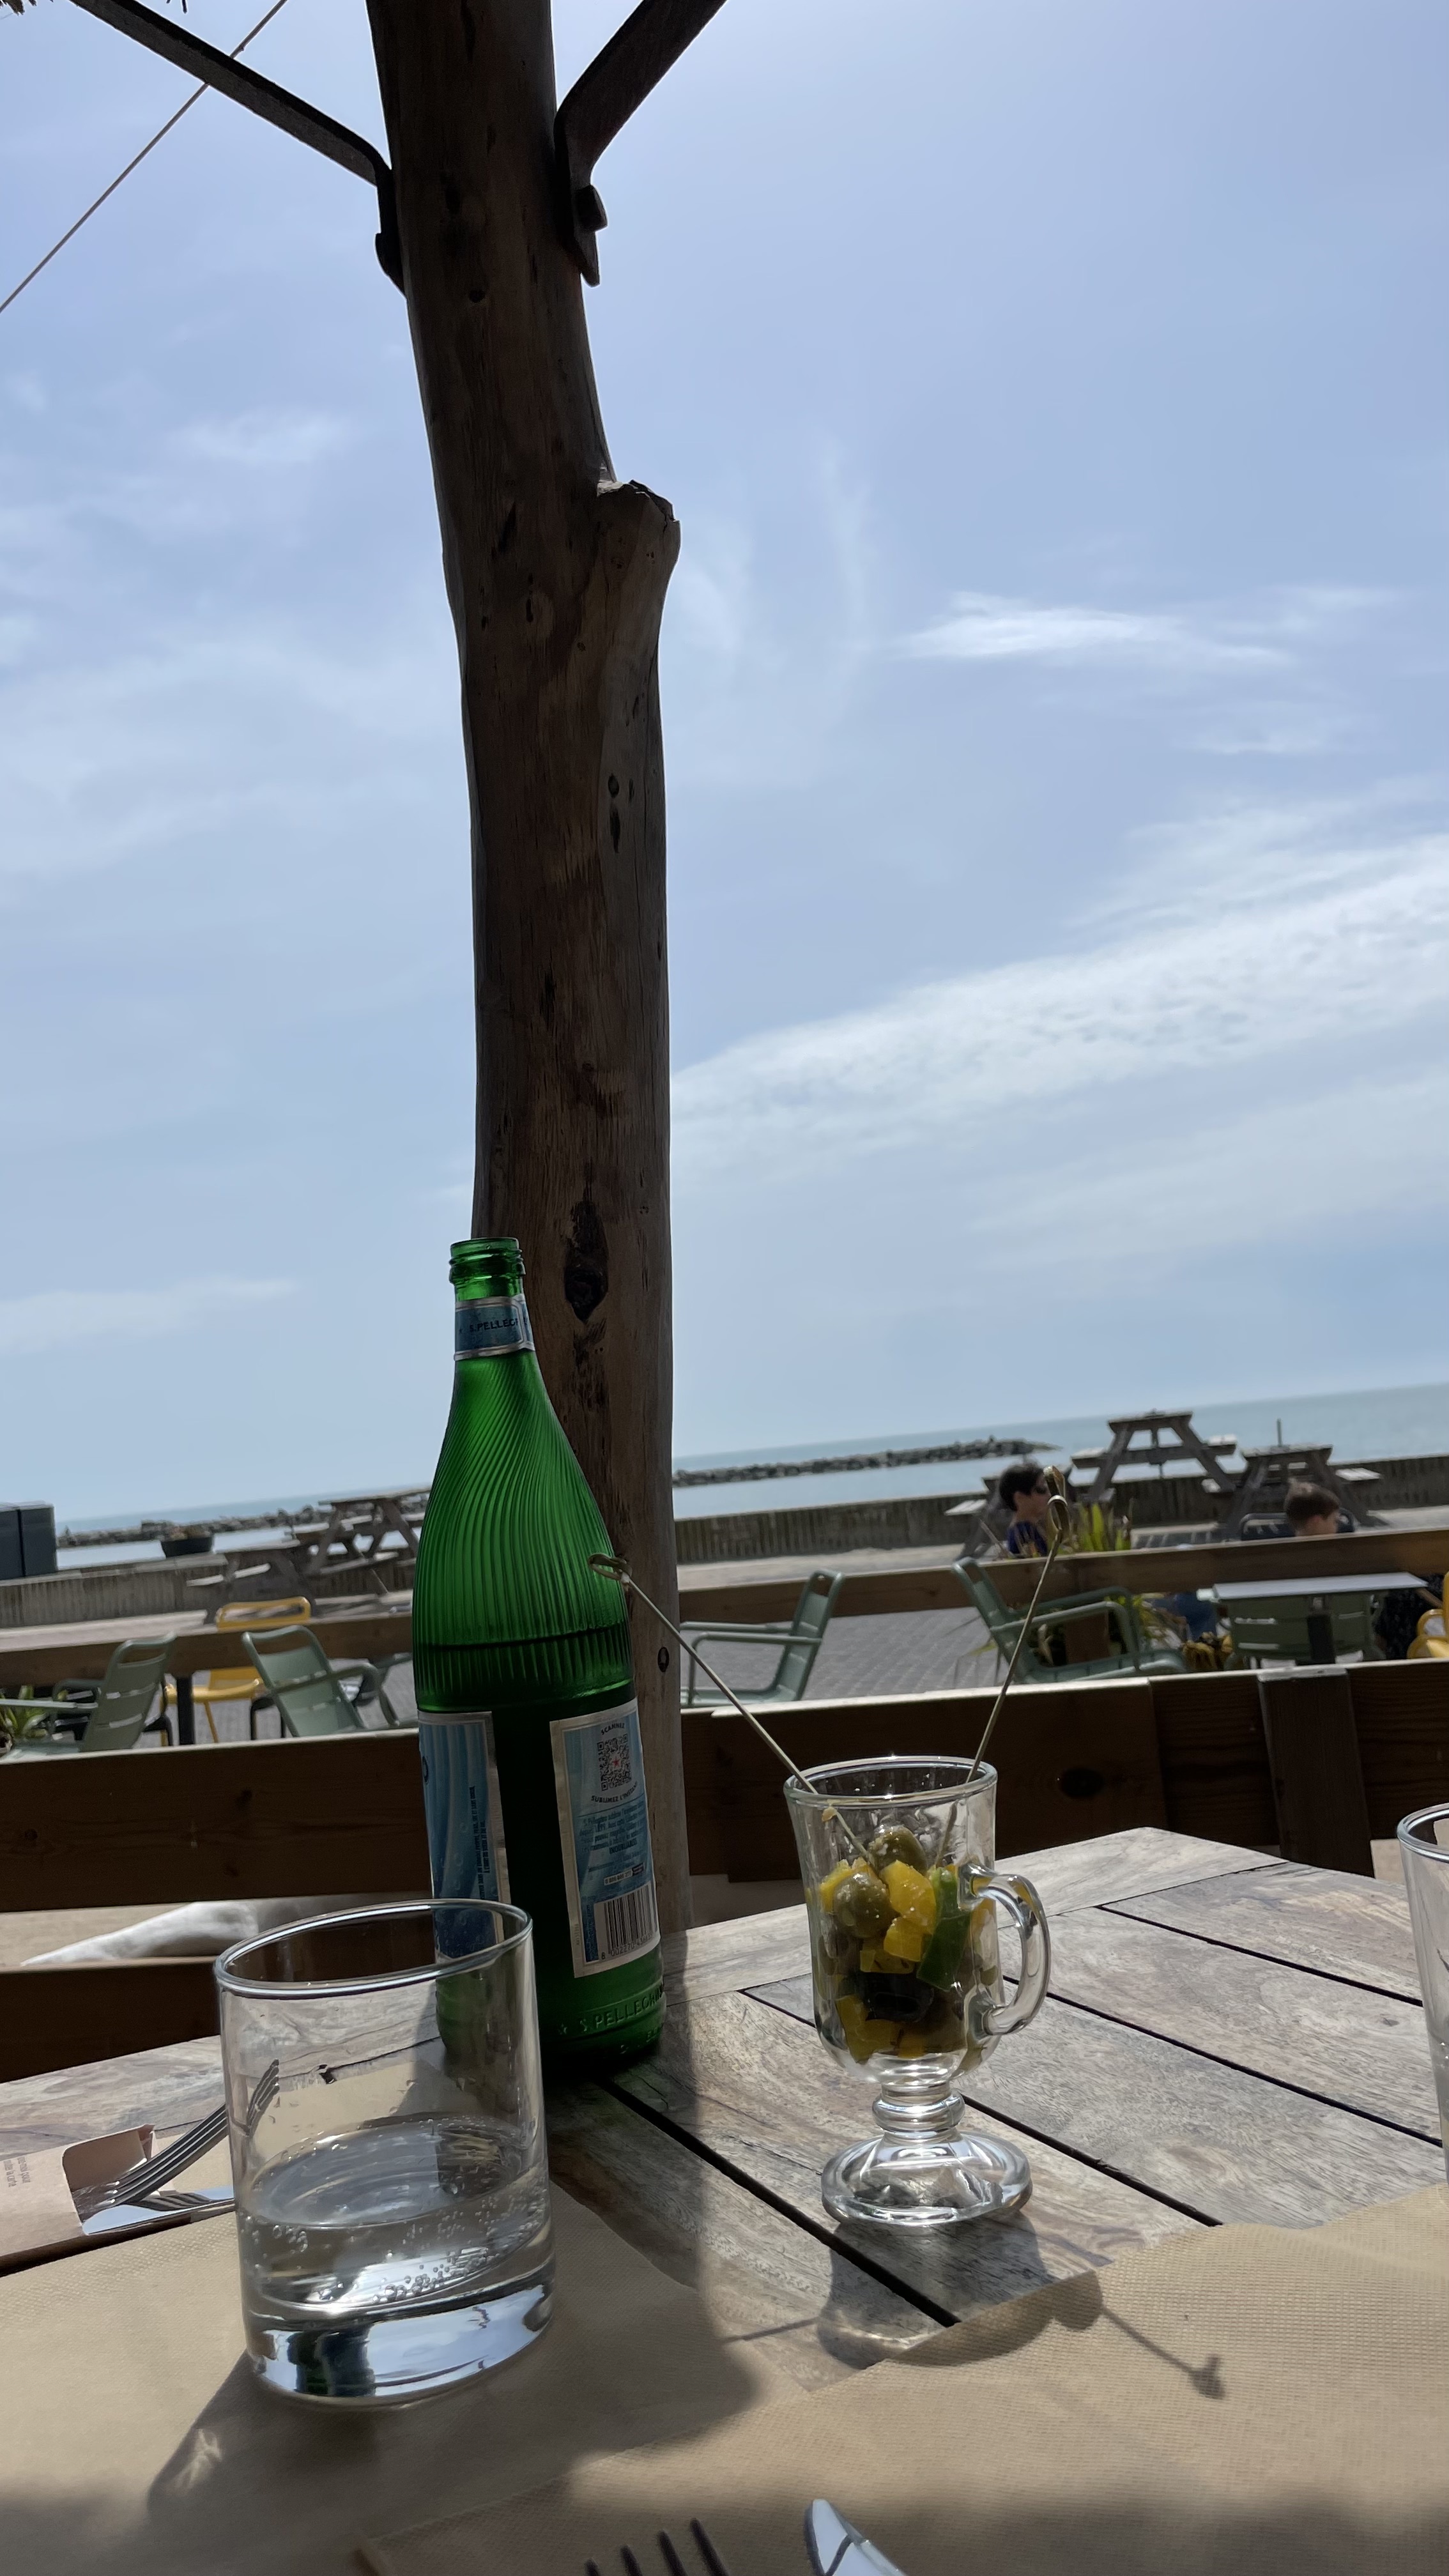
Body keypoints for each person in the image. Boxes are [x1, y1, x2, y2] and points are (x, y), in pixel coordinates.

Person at [997, 1463, 1052, 1558]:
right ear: (1020, 1498)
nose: (1049, 1495)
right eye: (1041, 1489)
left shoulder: (1023, 1529)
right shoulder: (1025, 1535)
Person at [1284, 1482, 1349, 1537]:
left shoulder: (1283, 1547)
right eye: (1335, 1521)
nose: (1337, 1528)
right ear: (1316, 1521)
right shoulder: (1339, 1547)